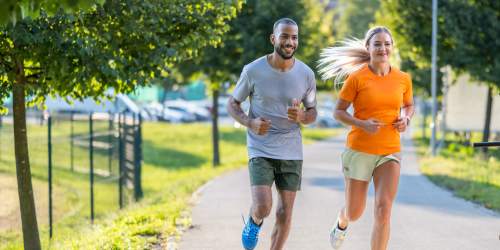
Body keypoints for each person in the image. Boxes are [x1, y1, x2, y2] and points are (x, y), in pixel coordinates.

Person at [317, 26, 414, 250]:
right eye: (377, 44)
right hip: (360, 149)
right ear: (368, 48)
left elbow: (409, 106)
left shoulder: (403, 78)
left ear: (392, 47)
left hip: (390, 150)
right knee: (355, 212)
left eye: (387, 44)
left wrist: (405, 119)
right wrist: (362, 124)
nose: (383, 48)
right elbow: (338, 112)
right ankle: (341, 222)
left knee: (383, 210)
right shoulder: (357, 78)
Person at [227, 17, 317, 250]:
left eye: (294, 37)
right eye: (285, 36)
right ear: (273, 38)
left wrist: (302, 117)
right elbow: (233, 104)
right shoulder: (253, 71)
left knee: (285, 213)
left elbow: (312, 112)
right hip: (260, 147)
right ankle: (254, 221)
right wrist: (250, 122)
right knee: (264, 206)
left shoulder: (306, 74)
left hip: (291, 149)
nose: (290, 41)